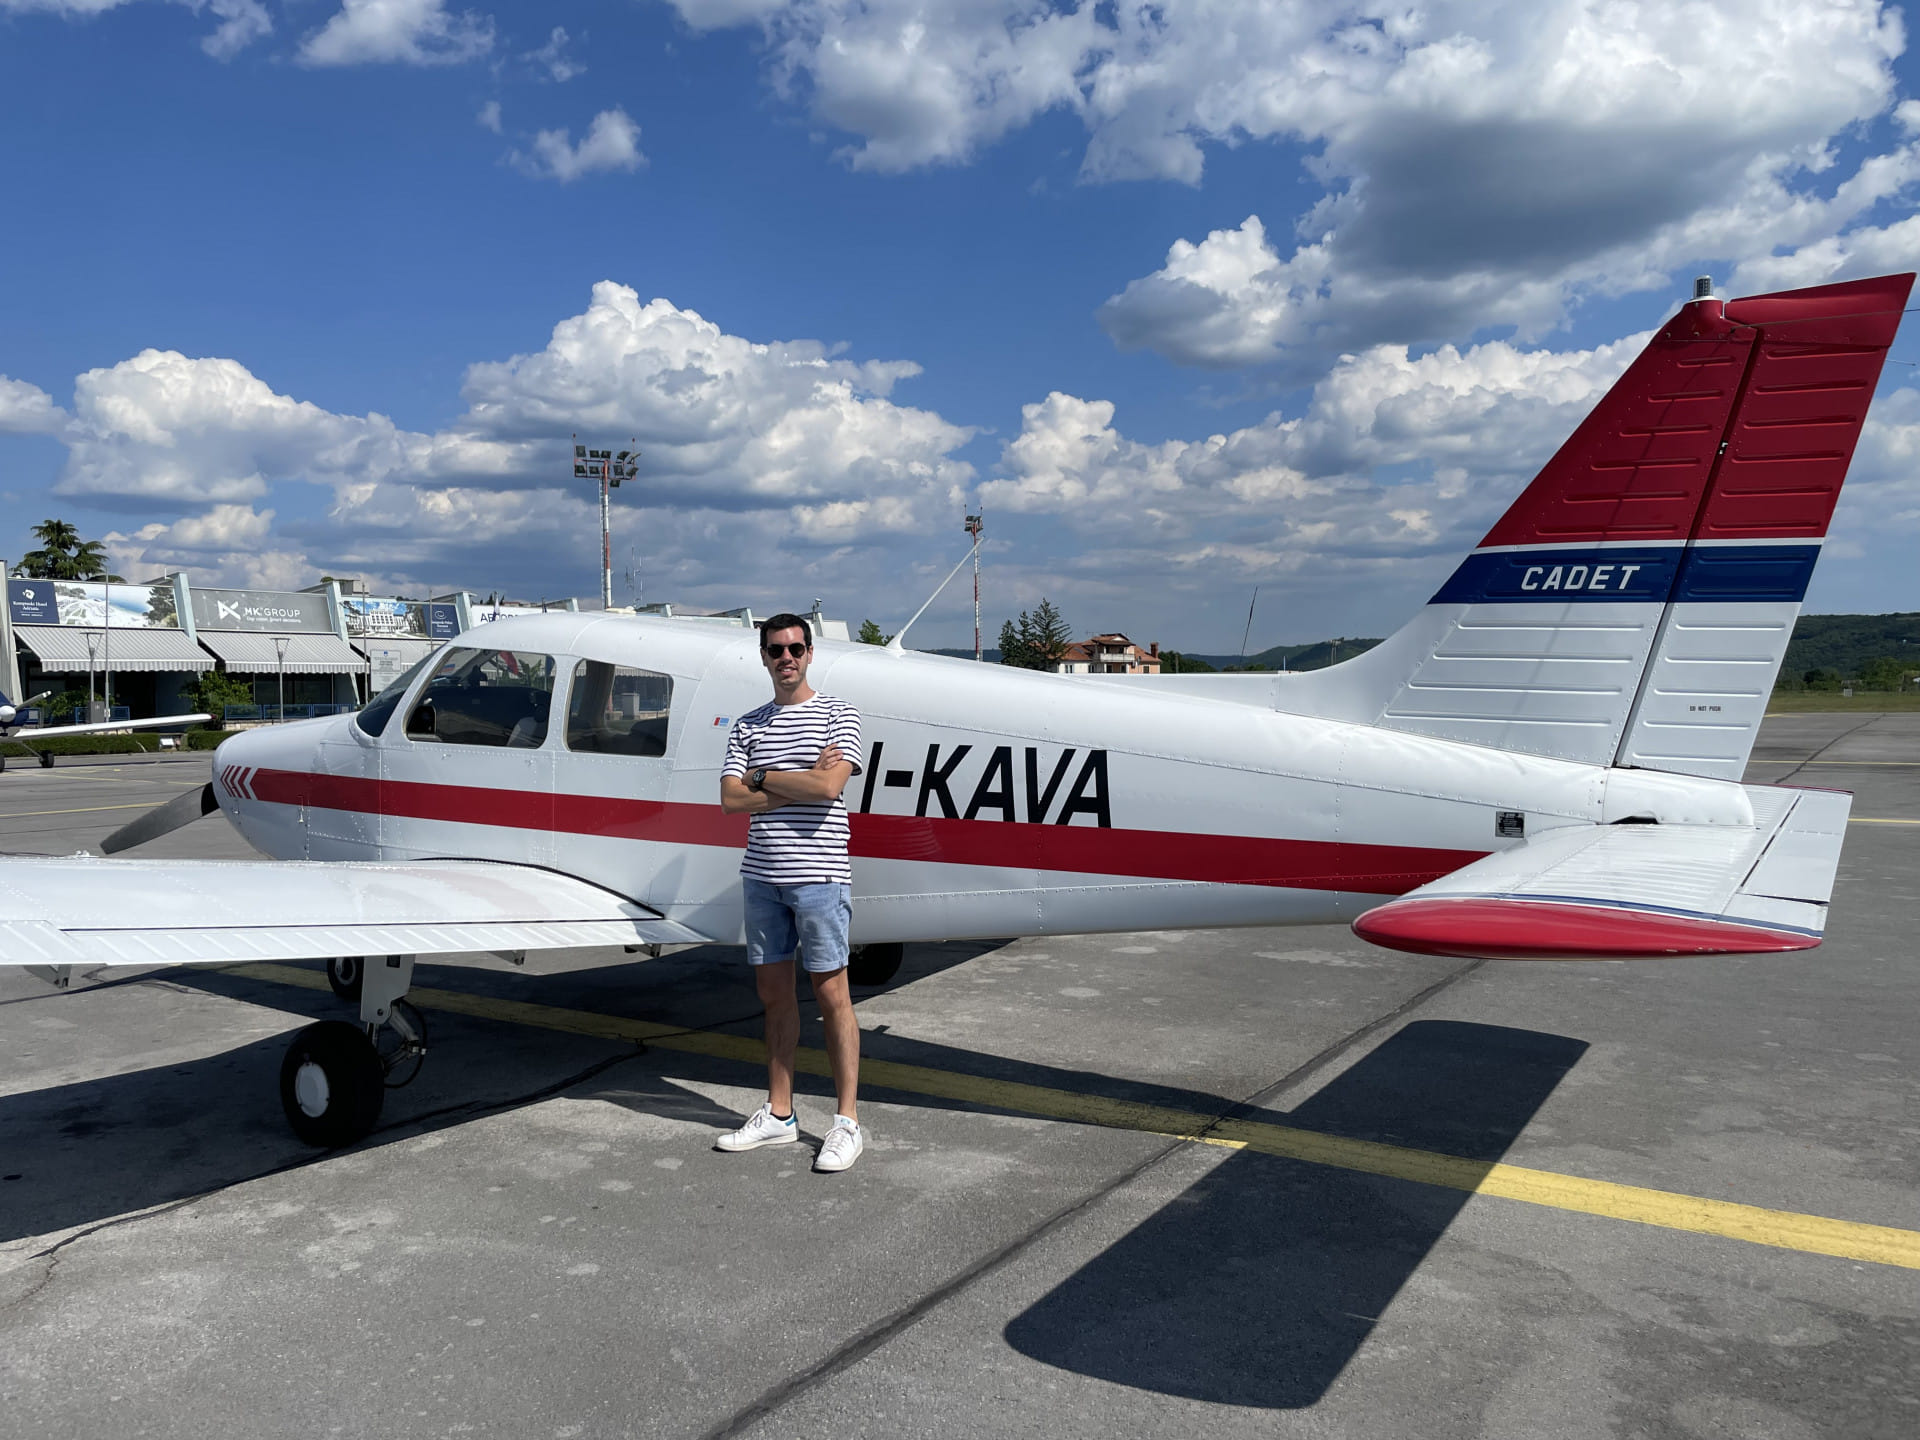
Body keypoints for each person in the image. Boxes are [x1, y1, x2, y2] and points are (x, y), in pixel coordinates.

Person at [714, 612, 867, 1172]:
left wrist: (762, 776)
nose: (787, 658)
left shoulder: (838, 713)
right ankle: (780, 1114)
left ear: (809, 654)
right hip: (762, 876)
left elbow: (829, 786)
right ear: (763, 656)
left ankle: (847, 1122)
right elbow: (730, 800)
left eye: (796, 649)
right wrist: (795, 780)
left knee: (832, 995)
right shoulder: (748, 724)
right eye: (776, 649)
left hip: (820, 877)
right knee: (773, 994)